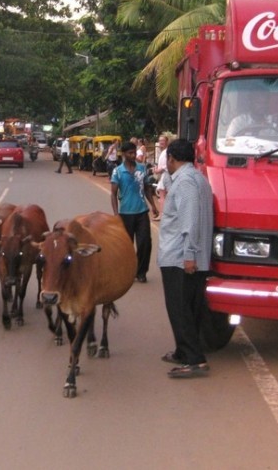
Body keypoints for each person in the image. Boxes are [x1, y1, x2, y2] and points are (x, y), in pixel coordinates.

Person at [157, 139, 213, 379]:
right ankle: (183, 351)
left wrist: (189, 255)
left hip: (181, 257)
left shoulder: (186, 182)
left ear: (171, 158)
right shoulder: (197, 178)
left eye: (167, 160)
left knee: (180, 309)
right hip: (188, 256)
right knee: (188, 307)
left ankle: (195, 360)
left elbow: (189, 221)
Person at [111, 141, 159, 283]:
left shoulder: (142, 169)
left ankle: (141, 271)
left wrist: (153, 205)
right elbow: (113, 194)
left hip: (142, 212)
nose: (133, 155)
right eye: (130, 153)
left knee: (145, 243)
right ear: (124, 154)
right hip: (125, 213)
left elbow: (146, 188)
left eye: (134, 152)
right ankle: (128, 271)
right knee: (126, 246)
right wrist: (116, 214)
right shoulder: (118, 171)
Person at [153, 134, 170, 216]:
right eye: (160, 141)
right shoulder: (163, 152)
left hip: (165, 175)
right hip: (163, 175)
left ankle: (161, 214)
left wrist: (158, 170)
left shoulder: (167, 151)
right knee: (163, 196)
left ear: (167, 142)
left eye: (163, 141)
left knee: (162, 195)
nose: (161, 142)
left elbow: (166, 165)